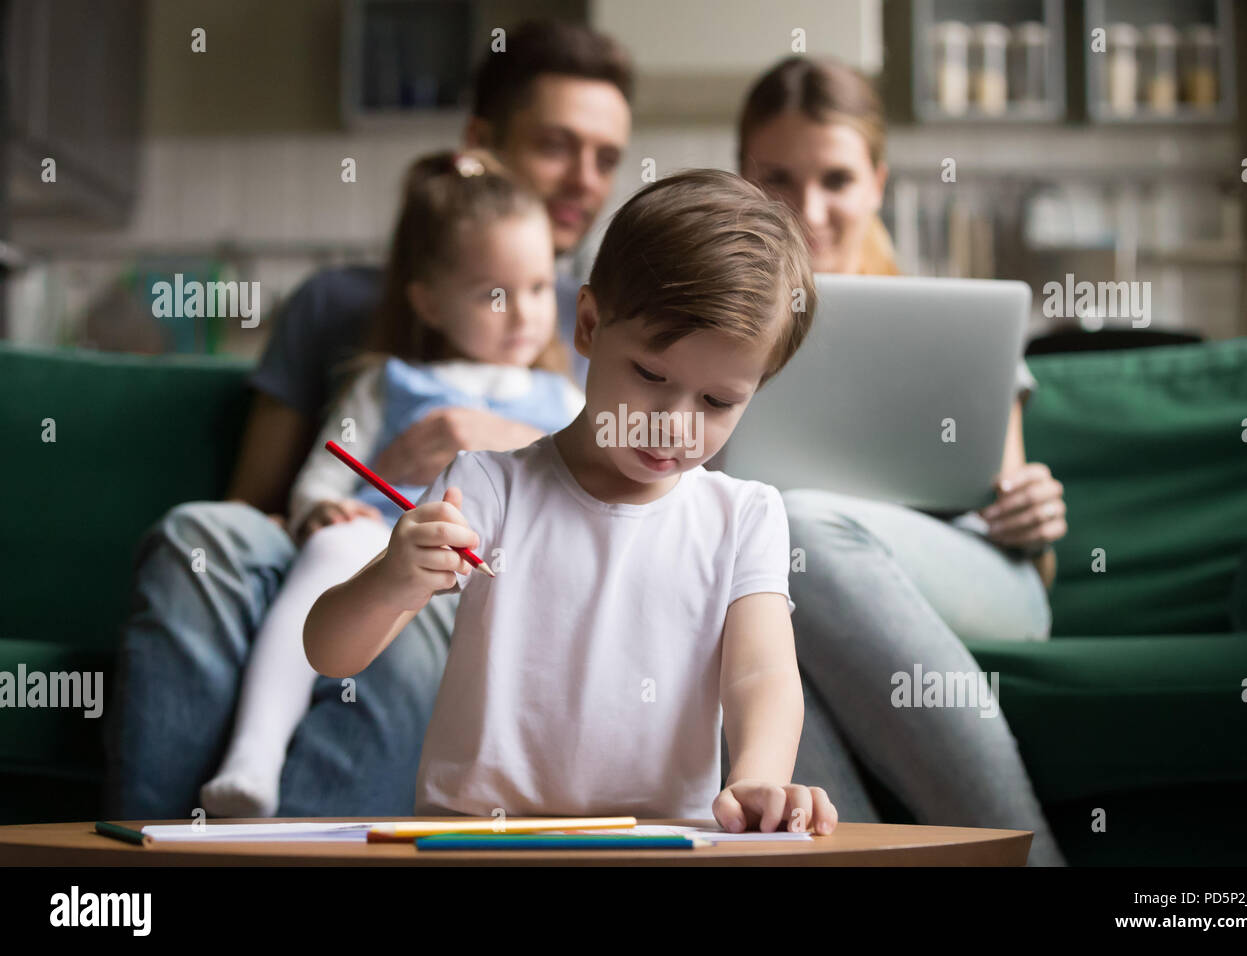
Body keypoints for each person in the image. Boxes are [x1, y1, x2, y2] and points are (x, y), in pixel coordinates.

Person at [102, 20, 634, 819]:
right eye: (559, 145)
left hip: (482, 571)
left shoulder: (598, 329)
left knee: (414, 603)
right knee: (200, 533)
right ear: (480, 140)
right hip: (338, 533)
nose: (583, 180)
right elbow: (261, 501)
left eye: (606, 158)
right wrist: (366, 483)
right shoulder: (336, 306)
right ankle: (144, 851)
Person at [304, 169, 838, 833]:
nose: (674, 423)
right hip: (477, 839)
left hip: (665, 844)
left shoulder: (745, 516)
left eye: (718, 401)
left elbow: (761, 674)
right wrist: (391, 579)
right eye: (650, 375)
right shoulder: (489, 486)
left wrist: (759, 774)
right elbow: (331, 653)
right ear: (588, 325)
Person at [736, 56, 1069, 865]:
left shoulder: (950, 324)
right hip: (781, 598)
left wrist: (1033, 522)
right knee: (749, 638)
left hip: (979, 579)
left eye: (837, 179)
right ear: (741, 178)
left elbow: (1036, 563)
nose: (808, 210)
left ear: (877, 182)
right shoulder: (711, 339)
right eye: (777, 178)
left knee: (798, 525)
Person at [200, 150, 586, 817]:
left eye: (536, 287)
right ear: (428, 301)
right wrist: (323, 510)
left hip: (501, 567)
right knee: (337, 549)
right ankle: (253, 760)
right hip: (387, 549)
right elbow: (324, 478)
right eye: (494, 294)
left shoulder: (563, 399)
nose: (523, 312)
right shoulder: (387, 382)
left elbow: (591, 493)